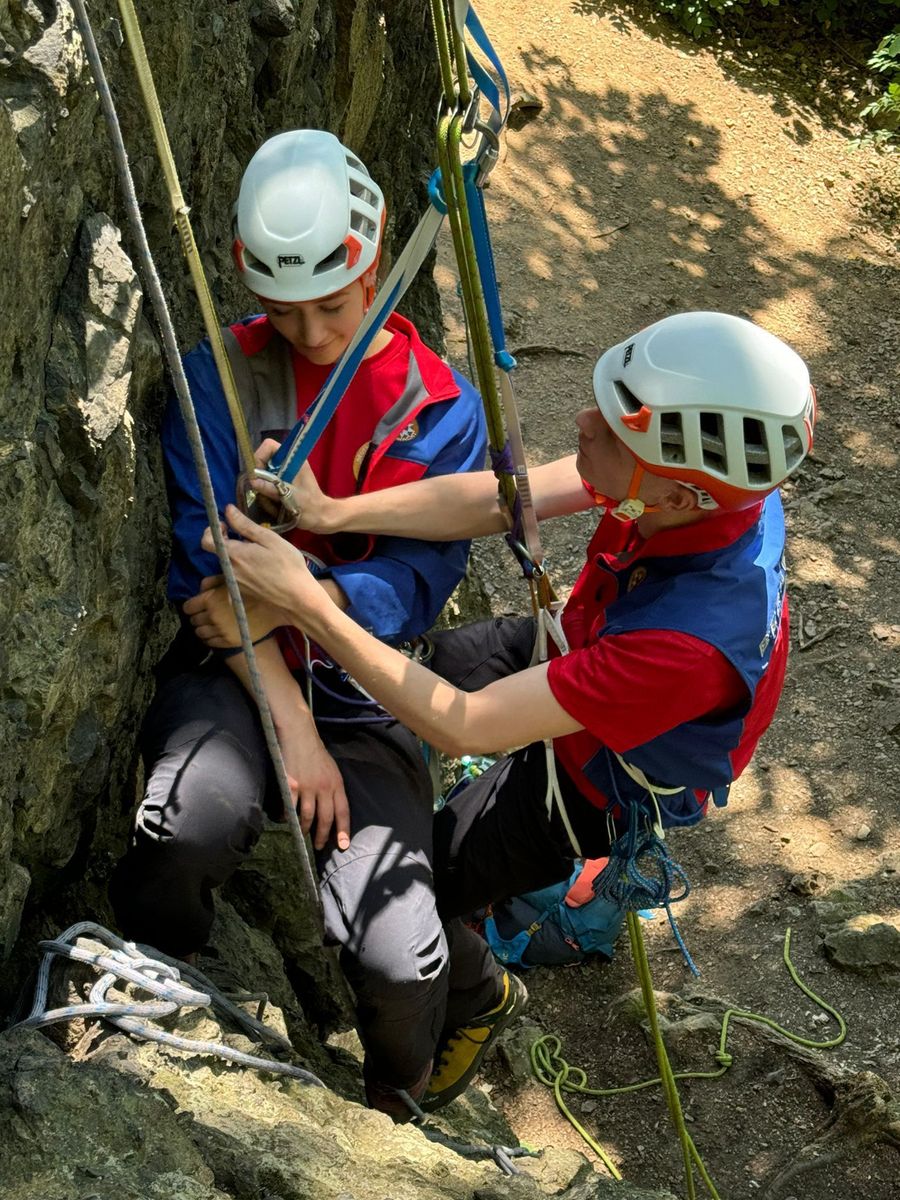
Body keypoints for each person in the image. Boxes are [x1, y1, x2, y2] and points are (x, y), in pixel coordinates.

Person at [187, 310, 816, 1113]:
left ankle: (479, 998)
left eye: (613, 432)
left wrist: (307, 604)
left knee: (429, 884)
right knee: (427, 667)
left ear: (672, 491)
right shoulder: (691, 487)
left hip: (594, 773)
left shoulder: (689, 642)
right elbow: (502, 500)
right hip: (578, 648)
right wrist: (330, 515)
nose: (583, 422)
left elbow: (467, 725)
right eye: (600, 403)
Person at [109, 129, 490, 1116]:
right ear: (247, 281)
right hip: (237, 674)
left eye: (334, 303)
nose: (314, 333)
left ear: (376, 263)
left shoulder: (441, 411)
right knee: (187, 822)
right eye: (285, 311)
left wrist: (305, 597)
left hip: (367, 687)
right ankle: (158, 993)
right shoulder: (218, 377)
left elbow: (417, 580)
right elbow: (207, 583)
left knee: (405, 962)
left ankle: (398, 1108)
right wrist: (291, 712)